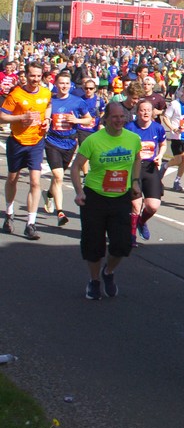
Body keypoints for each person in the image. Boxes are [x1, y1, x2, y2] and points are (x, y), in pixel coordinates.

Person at [70, 102, 142, 299]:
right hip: (95, 197)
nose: (119, 120)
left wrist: (135, 181)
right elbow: (76, 167)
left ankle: (108, 272)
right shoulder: (93, 140)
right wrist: (79, 192)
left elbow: (137, 159)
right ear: (106, 119)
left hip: (121, 197)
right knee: (94, 244)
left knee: (122, 244)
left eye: (122, 117)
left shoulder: (133, 139)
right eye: (115, 117)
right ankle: (94, 281)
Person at [0, 62, 52, 239]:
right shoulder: (16, 94)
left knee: (35, 182)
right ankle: (9, 213)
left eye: (38, 76)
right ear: (26, 75)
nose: (35, 79)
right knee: (12, 178)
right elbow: (2, 116)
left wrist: (47, 120)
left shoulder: (45, 92)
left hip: (36, 142)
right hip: (17, 141)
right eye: (32, 76)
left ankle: (31, 224)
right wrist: (21, 117)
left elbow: (48, 106)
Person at [45, 70, 94, 228]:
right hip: (52, 142)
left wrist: (76, 120)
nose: (64, 86)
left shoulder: (77, 101)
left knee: (58, 177)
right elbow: (44, 117)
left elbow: (89, 120)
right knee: (58, 176)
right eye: (61, 83)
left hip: (70, 143)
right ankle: (60, 212)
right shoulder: (50, 101)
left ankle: (49, 194)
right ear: (56, 84)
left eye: (67, 83)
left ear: (71, 85)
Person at [125, 99, 167, 243]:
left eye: (148, 110)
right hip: (134, 168)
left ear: (152, 112)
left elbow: (163, 144)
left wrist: (160, 156)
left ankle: (142, 222)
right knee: (136, 205)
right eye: (142, 110)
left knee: (153, 206)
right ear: (137, 112)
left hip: (150, 168)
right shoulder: (130, 128)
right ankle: (131, 236)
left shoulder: (157, 128)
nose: (145, 113)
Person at [161, 82, 184, 193]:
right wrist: (173, 128)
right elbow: (165, 117)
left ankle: (177, 180)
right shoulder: (174, 104)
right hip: (177, 136)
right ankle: (165, 165)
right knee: (178, 159)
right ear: (182, 92)